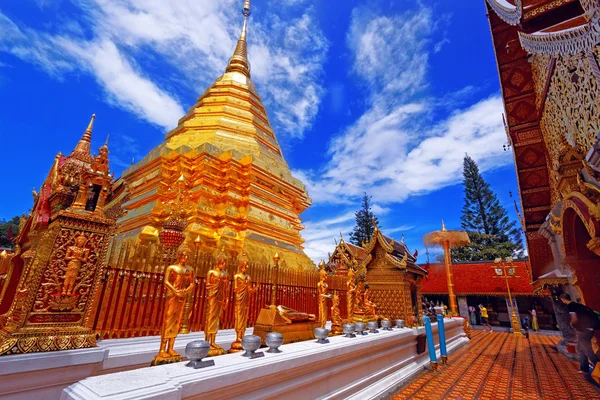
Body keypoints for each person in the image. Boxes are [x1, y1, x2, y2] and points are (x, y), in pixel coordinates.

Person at [559, 293, 600, 374]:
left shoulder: (571, 306)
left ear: (563, 299)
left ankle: (598, 365)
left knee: (588, 351)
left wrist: (572, 324)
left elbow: (574, 319)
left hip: (583, 331)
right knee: (580, 349)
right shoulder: (578, 305)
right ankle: (584, 368)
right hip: (587, 330)